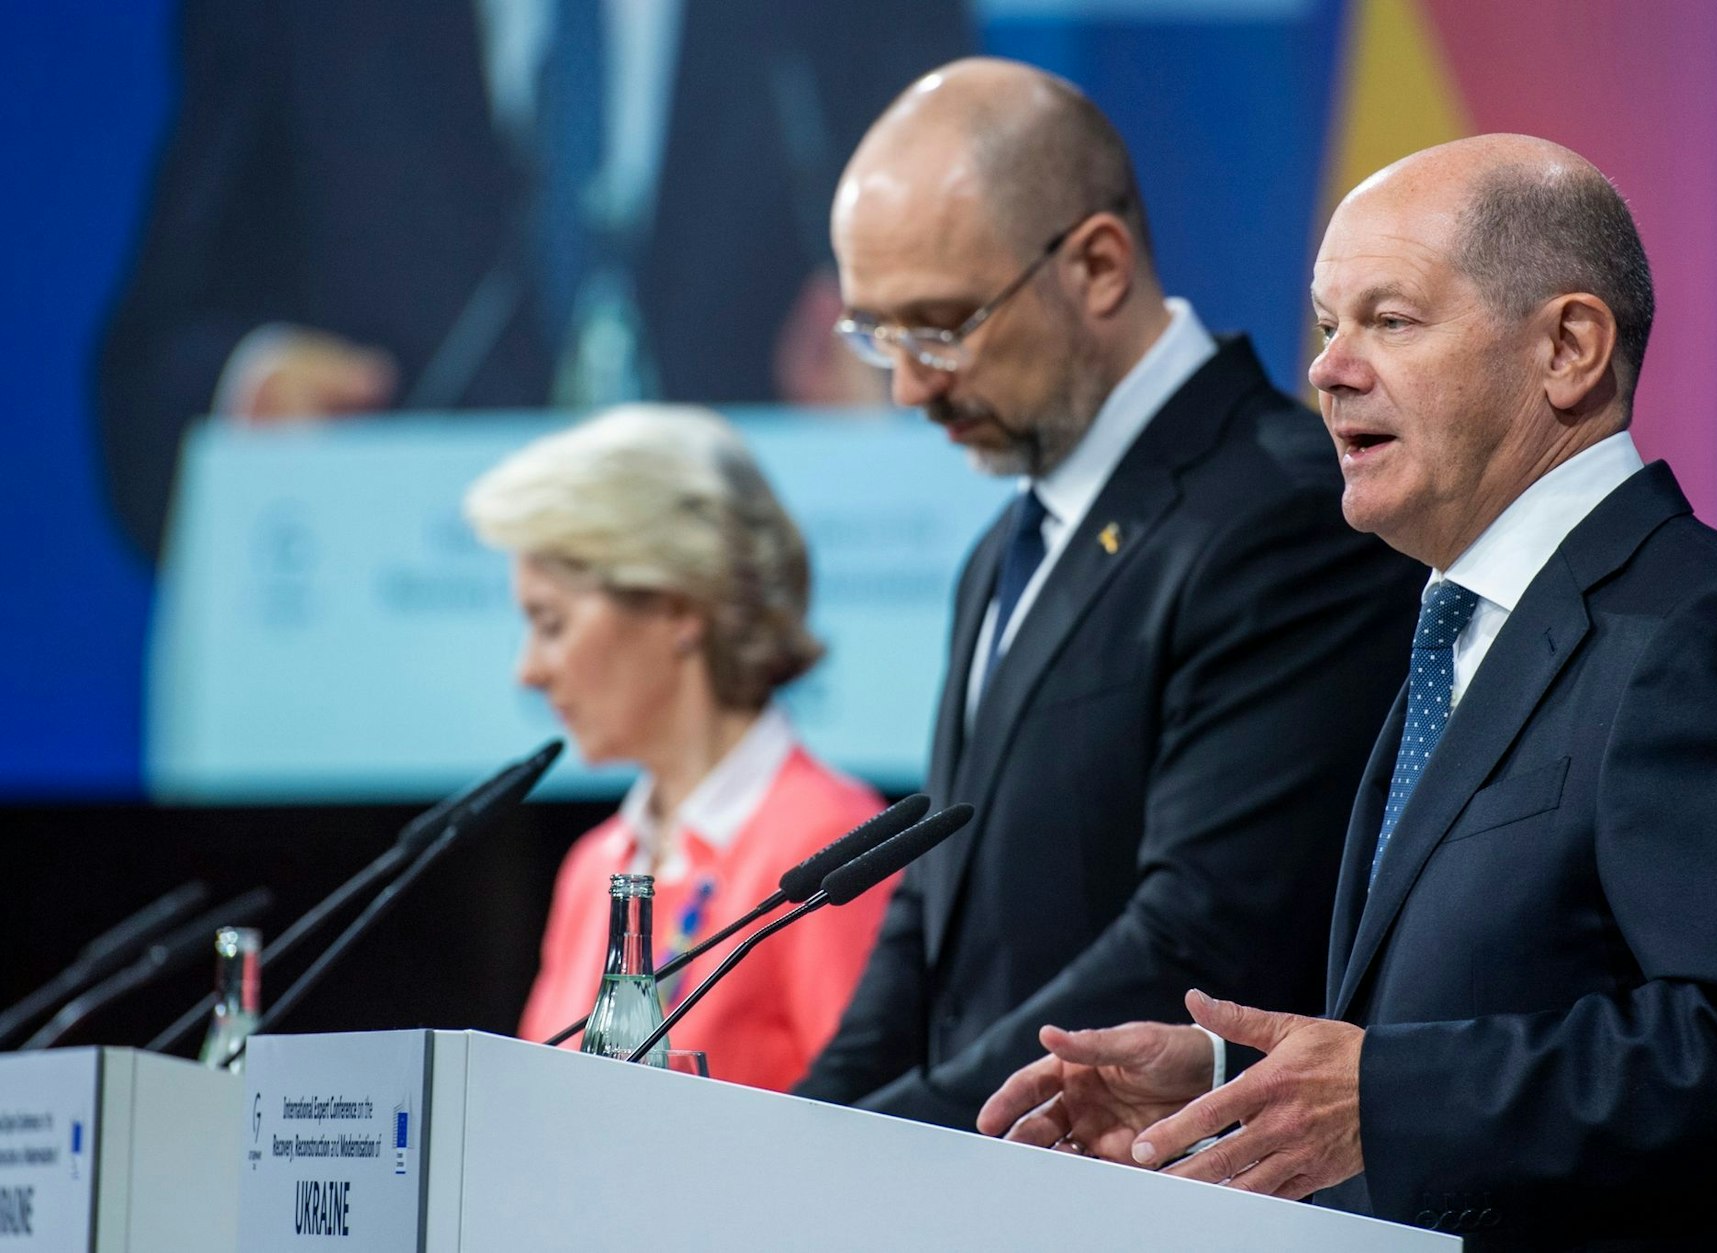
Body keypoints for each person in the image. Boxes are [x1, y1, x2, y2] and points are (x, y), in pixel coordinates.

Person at [978, 134, 1717, 1249]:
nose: (1327, 368)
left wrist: (1390, 1098)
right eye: (1325, 325)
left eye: (1389, 321)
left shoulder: (1698, 631)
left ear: (1567, 347)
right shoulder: (1460, 627)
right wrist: (1231, 1089)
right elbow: (1466, 1015)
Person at [791, 59, 1423, 1130]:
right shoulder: (1003, 547)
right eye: (878, 338)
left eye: (940, 326)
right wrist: (795, 1137)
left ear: (1094, 264)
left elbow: (1199, 937)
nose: (908, 386)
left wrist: (891, 1144)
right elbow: (927, 918)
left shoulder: (1284, 510)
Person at [96, 0, 972, 560]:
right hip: (409, 713)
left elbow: (992, 351)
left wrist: (905, 380)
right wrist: (252, 392)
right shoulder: (304, 21)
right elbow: (154, 371)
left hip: (758, 710)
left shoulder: (853, 23)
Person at [463, 407, 892, 1092]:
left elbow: (876, 1136)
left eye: (551, 623)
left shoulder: (827, 841)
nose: (529, 670)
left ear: (677, 609)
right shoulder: (595, 866)